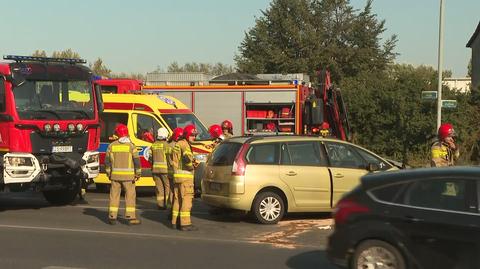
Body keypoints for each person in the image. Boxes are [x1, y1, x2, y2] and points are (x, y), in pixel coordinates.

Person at [104, 124, 142, 225]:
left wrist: (108, 173)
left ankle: (112, 216)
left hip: (115, 176)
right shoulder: (131, 146)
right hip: (128, 177)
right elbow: (137, 161)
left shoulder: (111, 146)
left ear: (117, 134)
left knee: (114, 196)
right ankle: (130, 217)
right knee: (130, 196)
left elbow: (107, 162)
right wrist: (138, 173)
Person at [171, 125, 198, 231]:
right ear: (186, 135)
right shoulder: (185, 145)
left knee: (177, 200)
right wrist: (192, 167)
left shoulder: (178, 144)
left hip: (177, 176)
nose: (194, 137)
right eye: (192, 135)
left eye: (195, 135)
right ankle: (185, 224)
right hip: (186, 177)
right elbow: (187, 159)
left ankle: (174, 222)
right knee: (187, 200)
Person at [148, 127, 171, 210]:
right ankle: (168, 204)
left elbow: (149, 157)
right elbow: (170, 158)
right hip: (165, 170)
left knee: (159, 187)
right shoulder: (167, 145)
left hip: (155, 170)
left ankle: (160, 204)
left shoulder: (153, 145)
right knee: (167, 187)